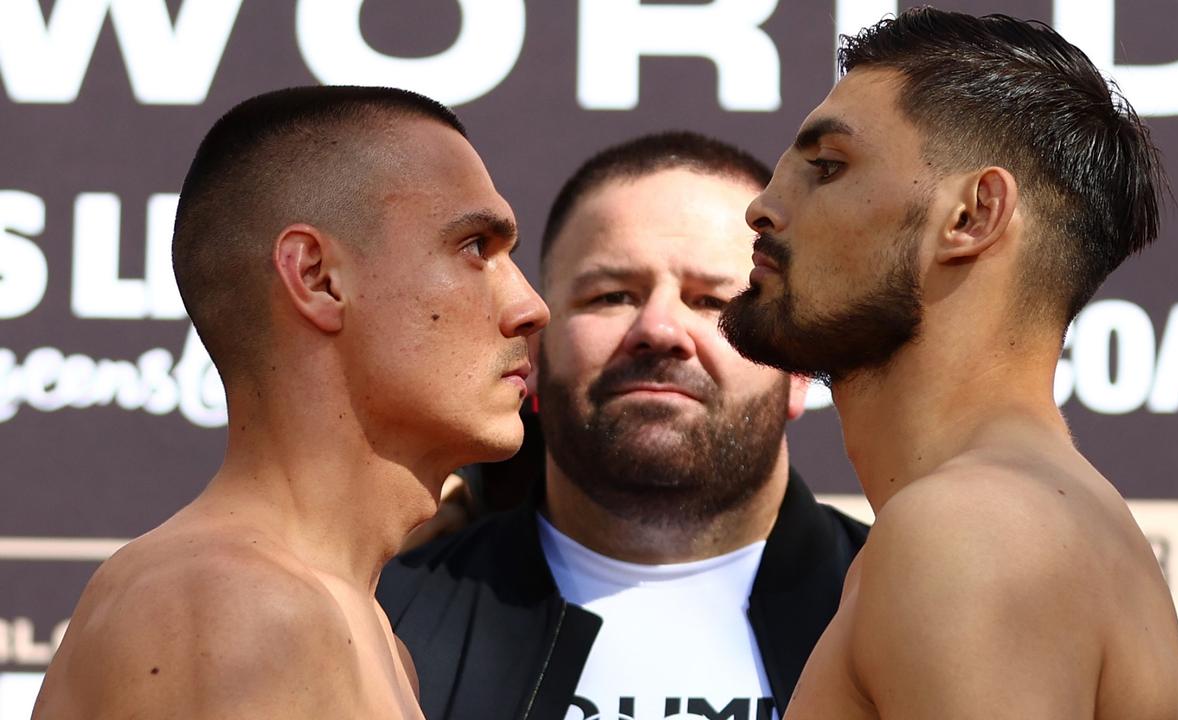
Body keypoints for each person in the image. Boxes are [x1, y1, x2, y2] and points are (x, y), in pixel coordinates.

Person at [719, 8, 1178, 719]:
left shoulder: (970, 534)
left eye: (828, 168)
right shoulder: (1051, 521)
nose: (762, 207)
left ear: (972, 216)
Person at [33, 86, 548, 720]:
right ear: (316, 279)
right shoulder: (233, 605)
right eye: (475, 248)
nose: (531, 307)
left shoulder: (365, 634)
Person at [378, 131, 870, 720]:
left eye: (715, 302)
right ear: (532, 353)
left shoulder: (912, 615)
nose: (660, 329)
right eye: (612, 296)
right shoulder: (382, 625)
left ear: (796, 372)